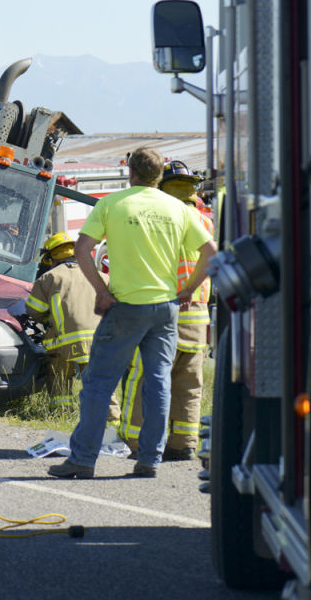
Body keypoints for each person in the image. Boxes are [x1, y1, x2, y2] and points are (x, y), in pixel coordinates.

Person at [48, 147, 216, 479]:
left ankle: (83, 459)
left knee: (98, 382)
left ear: (131, 172)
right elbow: (210, 251)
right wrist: (188, 289)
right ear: (159, 175)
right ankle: (150, 460)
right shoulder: (178, 208)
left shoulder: (113, 204)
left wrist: (101, 290)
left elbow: (82, 249)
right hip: (165, 309)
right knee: (158, 382)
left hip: (125, 307)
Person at [118, 161, 215, 461]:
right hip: (198, 314)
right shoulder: (205, 222)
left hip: (162, 311)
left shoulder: (159, 218)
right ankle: (183, 443)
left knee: (144, 379)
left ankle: (137, 442)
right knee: (189, 382)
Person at [26, 233, 115, 418]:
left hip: (63, 342)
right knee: (99, 381)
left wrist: (50, 318)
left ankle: (61, 413)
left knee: (58, 372)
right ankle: (111, 418)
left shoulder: (49, 278)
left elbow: (34, 310)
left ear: (50, 257)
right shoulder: (100, 276)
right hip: (98, 341)